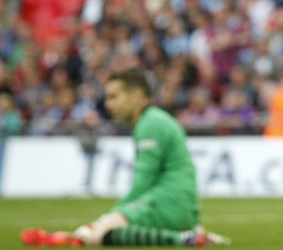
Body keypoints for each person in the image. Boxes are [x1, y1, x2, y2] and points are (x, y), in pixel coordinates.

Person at [21, 69, 229, 247]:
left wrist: (108, 217)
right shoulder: (153, 120)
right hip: (176, 203)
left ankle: (182, 239)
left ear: (137, 95)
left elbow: (142, 186)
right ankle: (188, 236)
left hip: (169, 202)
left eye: (114, 97)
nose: (108, 104)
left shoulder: (150, 123)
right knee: (102, 230)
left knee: (100, 233)